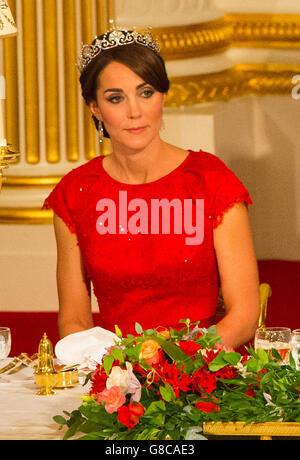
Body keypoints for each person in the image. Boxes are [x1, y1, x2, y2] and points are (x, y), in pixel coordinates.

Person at [43, 26, 260, 349]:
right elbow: (74, 321)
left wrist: (181, 363)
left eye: (146, 93)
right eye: (116, 98)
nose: (135, 111)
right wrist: (118, 373)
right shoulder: (75, 193)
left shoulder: (211, 181)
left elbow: (244, 315)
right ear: (95, 108)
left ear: (163, 96)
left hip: (203, 372)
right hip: (115, 379)